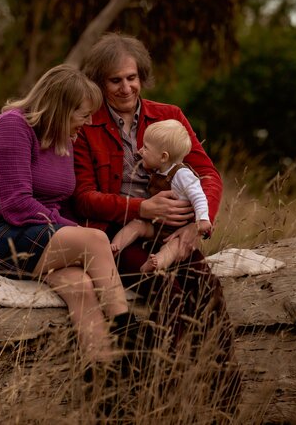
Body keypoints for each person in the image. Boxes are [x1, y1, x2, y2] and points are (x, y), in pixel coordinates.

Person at [72, 33, 237, 380]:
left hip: (172, 230)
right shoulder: (87, 124)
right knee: (167, 293)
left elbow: (207, 174)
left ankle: (224, 388)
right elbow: (83, 196)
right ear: (100, 82)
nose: (125, 88)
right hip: (115, 234)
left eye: (131, 78)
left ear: (141, 76)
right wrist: (142, 209)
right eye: (114, 80)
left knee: (208, 289)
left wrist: (198, 224)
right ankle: (170, 385)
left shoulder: (168, 116)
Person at [0, 64, 143, 372]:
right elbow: (16, 205)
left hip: (38, 236)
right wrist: (77, 235)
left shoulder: (63, 139)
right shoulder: (12, 127)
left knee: (80, 285)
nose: (86, 123)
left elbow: (63, 203)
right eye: (82, 115)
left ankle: (108, 382)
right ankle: (136, 345)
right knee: (94, 242)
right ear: (60, 108)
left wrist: (73, 230)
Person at [109, 119, 214, 273]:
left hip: (175, 230)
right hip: (156, 224)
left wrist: (203, 219)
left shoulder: (182, 174)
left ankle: (157, 263)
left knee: (172, 247)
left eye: (145, 147)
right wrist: (143, 155)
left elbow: (198, 196)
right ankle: (115, 247)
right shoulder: (159, 169)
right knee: (136, 225)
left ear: (164, 157)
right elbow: (145, 159)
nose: (140, 150)